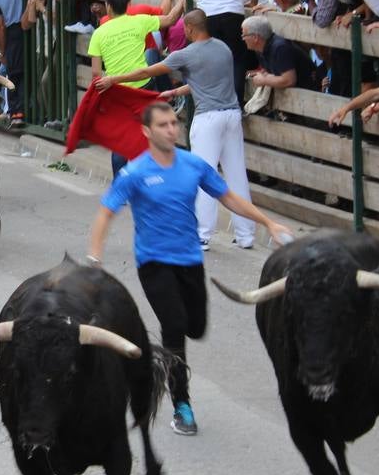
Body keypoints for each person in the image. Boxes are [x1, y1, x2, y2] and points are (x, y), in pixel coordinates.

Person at [88, 101, 292, 435]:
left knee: (196, 327)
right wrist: (95, 260)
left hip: (191, 262)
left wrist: (267, 222)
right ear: (146, 131)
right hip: (154, 263)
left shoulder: (193, 165)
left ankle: (163, 361)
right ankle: (182, 404)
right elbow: (105, 213)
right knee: (176, 326)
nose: (172, 129)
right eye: (163, 125)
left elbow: (229, 198)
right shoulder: (135, 172)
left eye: (174, 123)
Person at [95, 9, 254, 249]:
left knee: (202, 174)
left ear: (189, 28)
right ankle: (246, 235)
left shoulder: (186, 54)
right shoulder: (223, 48)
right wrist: (177, 91)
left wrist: (113, 80)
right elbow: (208, 81)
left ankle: (201, 233)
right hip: (232, 116)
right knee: (236, 174)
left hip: (208, 119)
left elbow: (147, 71)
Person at [88, 0, 185, 171]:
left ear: (108, 6)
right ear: (128, 3)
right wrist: (181, 1)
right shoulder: (140, 21)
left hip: (118, 92)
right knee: (152, 133)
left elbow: (95, 74)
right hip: (144, 87)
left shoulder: (99, 33)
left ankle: (120, 186)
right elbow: (171, 19)